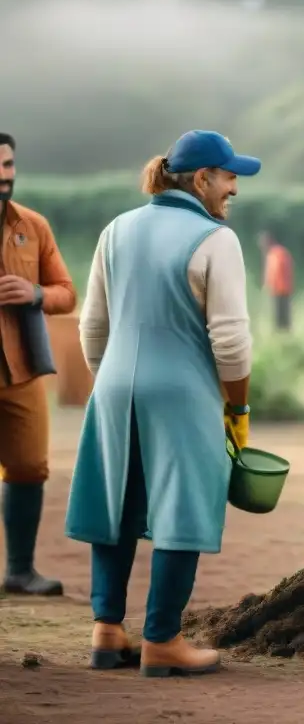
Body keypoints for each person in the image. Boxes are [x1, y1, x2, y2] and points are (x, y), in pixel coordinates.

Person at [65, 130, 258, 677]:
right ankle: (163, 640)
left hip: (114, 385)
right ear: (201, 180)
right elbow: (231, 341)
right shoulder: (216, 239)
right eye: (228, 176)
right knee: (182, 505)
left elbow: (92, 326)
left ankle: (107, 631)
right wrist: (237, 409)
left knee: (116, 502)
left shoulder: (116, 229)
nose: (234, 188)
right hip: (183, 391)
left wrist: (115, 381)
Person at [0, 132, 77, 597]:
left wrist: (36, 295)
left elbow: (67, 293)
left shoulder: (33, 225)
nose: (3, 175)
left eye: (8, 165)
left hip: (22, 368)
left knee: (29, 467)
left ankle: (19, 570)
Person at [258, 231, 293, 332]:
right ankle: (282, 338)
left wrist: (269, 285)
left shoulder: (277, 253)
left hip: (280, 290)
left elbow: (275, 272)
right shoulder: (274, 254)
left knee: (281, 318)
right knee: (280, 317)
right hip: (280, 290)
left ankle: (284, 338)